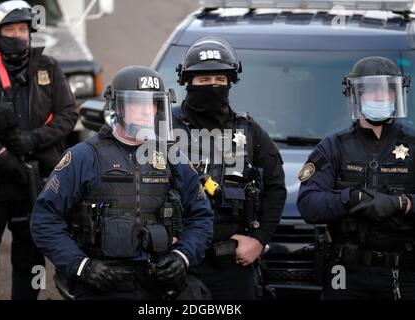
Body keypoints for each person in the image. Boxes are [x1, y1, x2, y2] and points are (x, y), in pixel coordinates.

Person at [30, 65, 214, 300]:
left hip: (158, 284)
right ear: (118, 106)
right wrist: (81, 266)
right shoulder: (83, 157)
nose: (147, 111)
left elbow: (202, 217)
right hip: (101, 284)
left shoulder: (172, 157)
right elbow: (44, 220)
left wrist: (182, 256)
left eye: (153, 103)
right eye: (138, 103)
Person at [0, 1, 78, 300]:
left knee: (31, 264)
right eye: (10, 29)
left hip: (33, 182)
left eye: (23, 29)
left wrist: (34, 139)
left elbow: (68, 115)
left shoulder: (49, 68)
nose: (18, 35)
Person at [173, 36, 287, 300]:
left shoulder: (249, 132)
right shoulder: (165, 130)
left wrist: (259, 240)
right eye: (203, 80)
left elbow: (276, 188)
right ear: (188, 82)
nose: (213, 86)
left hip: (232, 264)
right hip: (177, 263)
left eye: (220, 80)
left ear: (230, 83)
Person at [297, 56, 415, 300]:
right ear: (357, 96)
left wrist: (402, 203)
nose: (380, 99)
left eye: (386, 93)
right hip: (346, 270)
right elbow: (308, 204)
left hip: (403, 271)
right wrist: (352, 198)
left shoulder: (412, 145)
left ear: (396, 96)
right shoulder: (333, 147)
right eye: (372, 93)